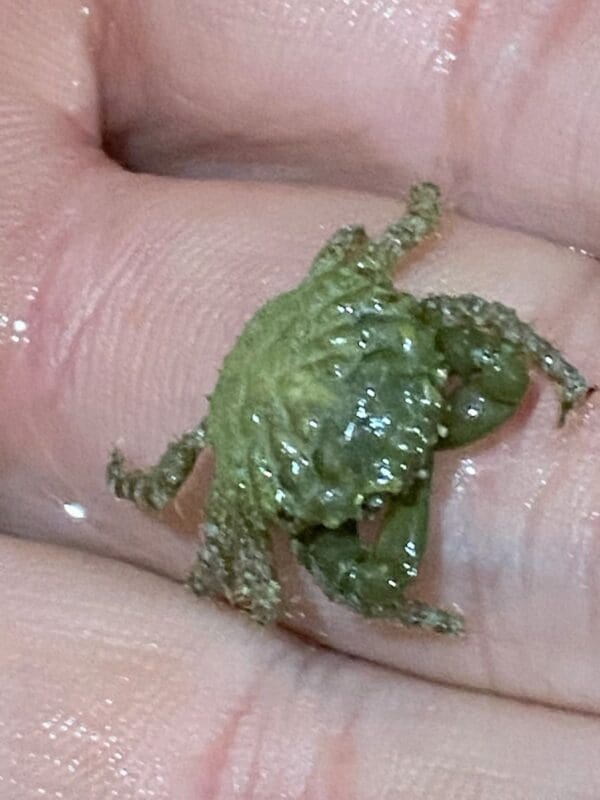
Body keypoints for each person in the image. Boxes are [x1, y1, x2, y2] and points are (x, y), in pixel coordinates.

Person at [1, 2, 598, 797]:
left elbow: (476, 312)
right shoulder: (243, 482)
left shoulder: (367, 296)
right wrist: (405, 607)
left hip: (343, 338)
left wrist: (555, 368)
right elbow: (239, 573)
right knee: (312, 582)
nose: (413, 459)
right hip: (286, 415)